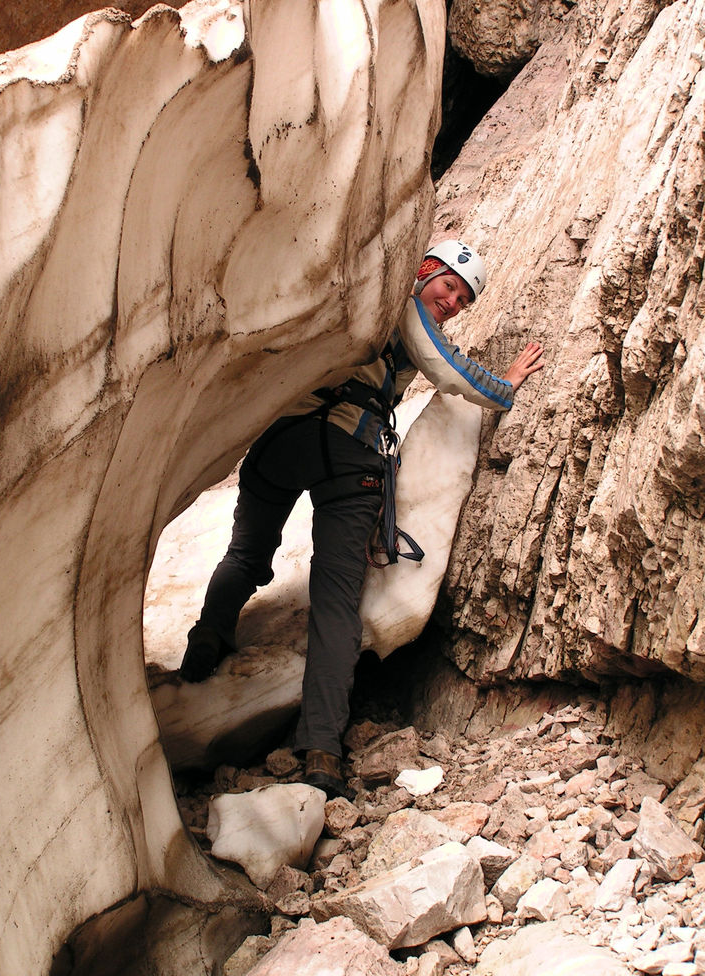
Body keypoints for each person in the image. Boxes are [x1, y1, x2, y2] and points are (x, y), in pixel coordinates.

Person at [179, 239, 543, 797]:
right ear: (425, 270)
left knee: (247, 555)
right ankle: (321, 749)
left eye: (463, 300)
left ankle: (206, 643)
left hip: (283, 435)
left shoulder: (354, 288)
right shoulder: (406, 299)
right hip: (351, 449)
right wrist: (504, 386)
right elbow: (447, 369)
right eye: (449, 286)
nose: (452, 302)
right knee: (336, 599)